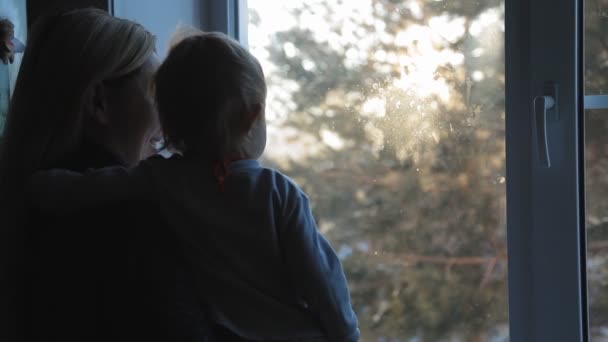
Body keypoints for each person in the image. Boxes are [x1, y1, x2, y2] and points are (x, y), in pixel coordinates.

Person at [29, 31, 360, 341]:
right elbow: (323, 282)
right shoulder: (278, 193)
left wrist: (38, 183)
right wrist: (346, 334)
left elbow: (86, 188)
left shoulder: (161, 180)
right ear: (251, 117)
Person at [0, 9, 208, 341]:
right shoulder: (126, 214)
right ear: (99, 101)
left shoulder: (30, 205)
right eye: (156, 94)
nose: (168, 117)